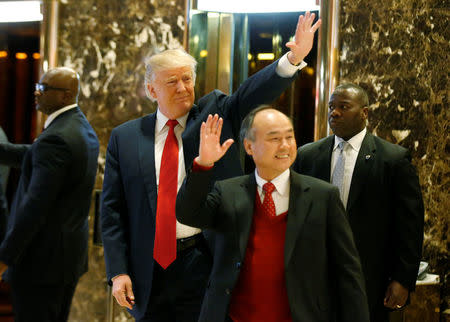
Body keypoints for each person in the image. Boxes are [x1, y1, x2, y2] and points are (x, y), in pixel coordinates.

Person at [101, 12, 321, 322]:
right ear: (152, 91)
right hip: (146, 269)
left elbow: (253, 91)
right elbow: (112, 210)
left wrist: (293, 58)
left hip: (205, 259)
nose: (182, 88)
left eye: (187, 79)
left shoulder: (215, 112)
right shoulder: (125, 138)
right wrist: (118, 270)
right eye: (172, 82)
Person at [176, 109, 370, 322]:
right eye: (275, 138)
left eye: (289, 136)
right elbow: (188, 214)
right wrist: (203, 164)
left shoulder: (323, 196)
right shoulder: (227, 192)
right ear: (249, 146)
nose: (285, 145)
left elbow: (348, 273)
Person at [293, 83, 424, 322]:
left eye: (344, 107)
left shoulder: (393, 160)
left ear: (364, 113)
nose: (334, 113)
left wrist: (403, 280)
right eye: (331, 107)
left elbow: (409, 226)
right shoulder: (307, 156)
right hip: (315, 279)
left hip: (369, 278)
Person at [0, 67, 99, 322]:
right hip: (64, 260)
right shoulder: (79, 127)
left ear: (65, 96)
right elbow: (33, 156)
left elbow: (35, 207)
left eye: (43, 89)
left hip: (40, 265)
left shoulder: (56, 138)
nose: (36, 93)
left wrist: (5, 257)